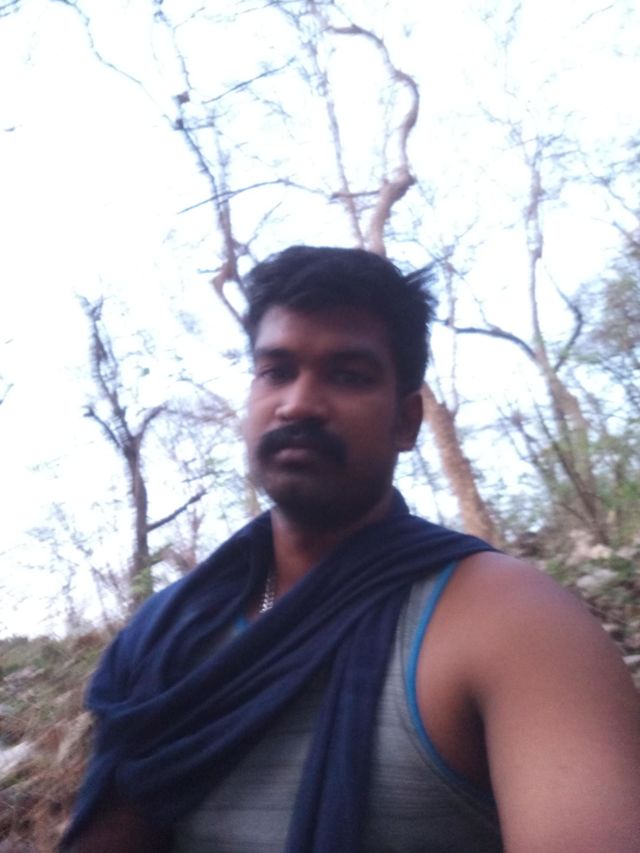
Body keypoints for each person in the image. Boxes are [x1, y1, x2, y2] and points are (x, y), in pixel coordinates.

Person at [63, 246, 640, 853]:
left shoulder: (514, 621)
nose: (298, 403)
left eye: (348, 375)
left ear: (406, 422)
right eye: (276, 371)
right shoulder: (167, 630)